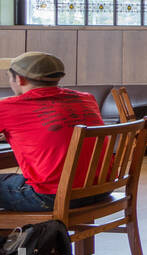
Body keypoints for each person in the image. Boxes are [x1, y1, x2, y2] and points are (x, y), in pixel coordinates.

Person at [0, 52, 106, 211]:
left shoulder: (9, 107)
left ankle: (19, 235)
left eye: (10, 77)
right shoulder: (87, 98)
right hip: (102, 189)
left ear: (19, 79)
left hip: (53, 197)